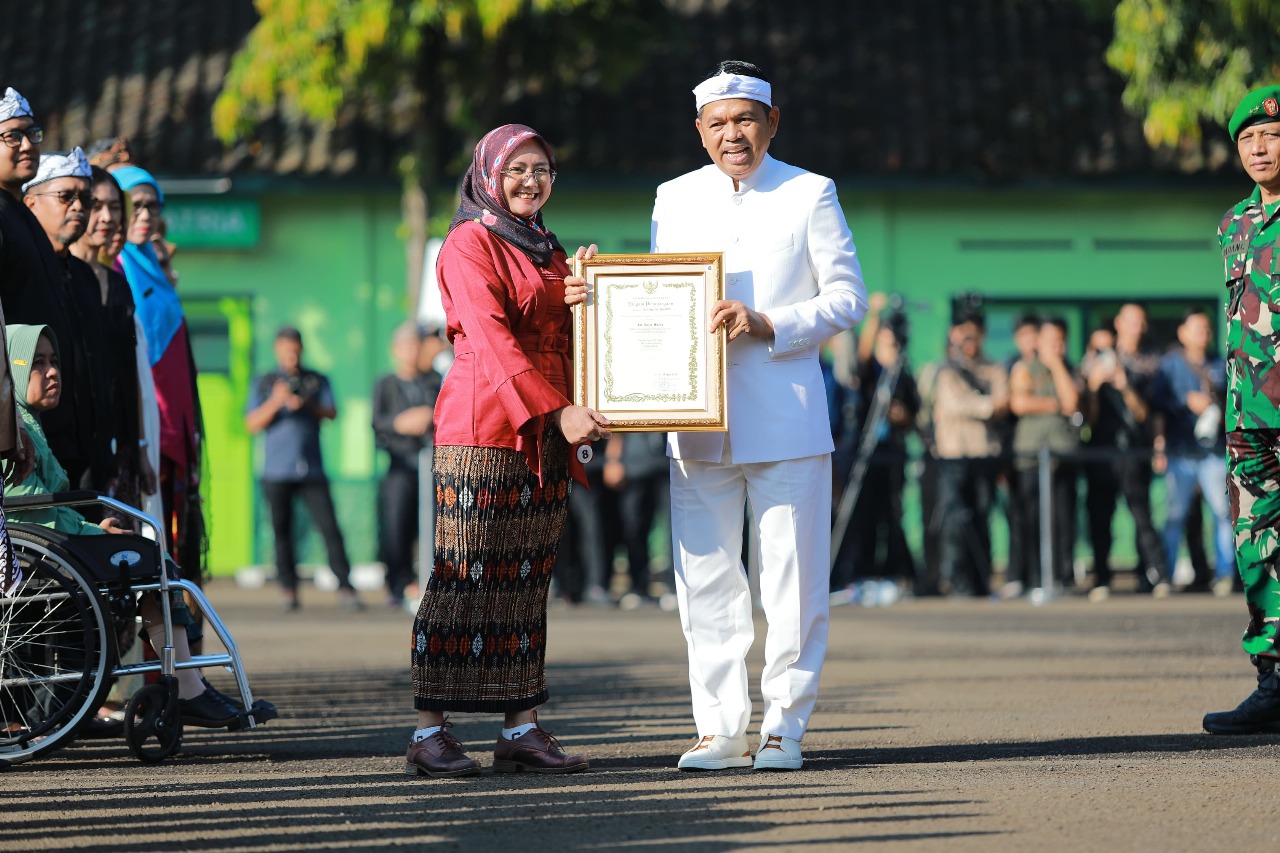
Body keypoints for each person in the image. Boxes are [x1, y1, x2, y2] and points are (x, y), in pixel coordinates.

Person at [641, 61, 867, 771]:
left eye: (745, 119)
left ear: (772, 123)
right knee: (705, 582)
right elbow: (654, 302)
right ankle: (719, 728)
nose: (732, 134)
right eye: (718, 123)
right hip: (696, 420)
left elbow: (848, 299)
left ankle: (784, 728)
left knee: (792, 583)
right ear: (699, 130)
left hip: (786, 418)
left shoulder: (809, 192)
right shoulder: (672, 198)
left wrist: (769, 321)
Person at [405, 123, 607, 778]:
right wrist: (559, 408)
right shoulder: (470, 242)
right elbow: (492, 341)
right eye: (516, 168)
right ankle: (427, 731)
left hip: (542, 431)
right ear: (489, 174)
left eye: (541, 169)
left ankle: (520, 726)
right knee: (463, 577)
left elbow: (561, 333)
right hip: (481, 429)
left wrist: (591, 295)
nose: (530, 180)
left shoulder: (548, 248)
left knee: (525, 579)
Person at [4, 323, 248, 728]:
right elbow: (26, 509)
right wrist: (95, 532)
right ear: (11, 369)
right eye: (37, 363)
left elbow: (45, 505)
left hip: (50, 540)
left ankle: (188, 684)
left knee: (149, 556)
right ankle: (188, 687)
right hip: (30, 550)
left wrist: (92, 526)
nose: (52, 373)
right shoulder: (11, 431)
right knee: (150, 559)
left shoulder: (27, 424)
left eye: (55, 362)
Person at [1203, 86, 1280, 734]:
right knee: (1255, 547)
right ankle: (1272, 682)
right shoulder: (1232, 226)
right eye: (1247, 138)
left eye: (1271, 136)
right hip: (1250, 420)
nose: (1259, 147)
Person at [110, 165, 206, 595]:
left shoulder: (153, 265)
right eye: (134, 205)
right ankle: (154, 656)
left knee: (177, 542)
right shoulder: (117, 267)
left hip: (177, 428)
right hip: (151, 428)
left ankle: (171, 653)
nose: (144, 214)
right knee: (151, 542)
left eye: (152, 205)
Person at [246, 327, 360, 612]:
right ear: (277, 349)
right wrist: (276, 400)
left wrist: (305, 403)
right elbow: (251, 424)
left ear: (302, 349)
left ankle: (345, 586)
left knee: (329, 529)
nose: (291, 355)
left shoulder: (316, 380)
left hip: (312, 469)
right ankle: (288, 589)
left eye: (295, 349)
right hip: (276, 471)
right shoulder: (265, 381)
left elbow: (332, 412)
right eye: (286, 349)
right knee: (281, 532)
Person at [67, 165, 146, 509]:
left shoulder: (117, 283)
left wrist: (140, 446)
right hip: (73, 446)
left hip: (119, 445)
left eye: (115, 207)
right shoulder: (59, 278)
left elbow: (131, 370)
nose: (107, 216)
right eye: (96, 205)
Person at [831, 292, 918, 601]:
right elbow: (861, 360)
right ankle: (859, 572)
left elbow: (915, 414)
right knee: (861, 513)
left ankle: (894, 571)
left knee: (891, 513)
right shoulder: (870, 373)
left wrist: (902, 416)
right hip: (862, 453)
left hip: (890, 452)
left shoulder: (902, 375)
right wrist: (874, 316)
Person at [1078, 303, 1166, 600]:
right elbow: (1085, 416)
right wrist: (1093, 385)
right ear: (1118, 323)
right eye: (1131, 322)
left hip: (1133, 451)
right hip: (1101, 451)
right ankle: (1101, 577)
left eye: (1141, 322)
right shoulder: (1095, 360)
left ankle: (1153, 575)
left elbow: (1146, 414)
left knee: (1142, 515)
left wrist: (1124, 385)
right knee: (1100, 517)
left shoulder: (1150, 362)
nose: (1136, 328)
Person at [1150, 308, 1233, 598]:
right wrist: (1185, 401)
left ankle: (1225, 575)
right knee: (1174, 515)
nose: (1203, 334)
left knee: (1223, 513)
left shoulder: (1220, 363)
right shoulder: (1169, 366)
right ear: (1182, 333)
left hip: (1213, 452)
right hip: (1179, 450)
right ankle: (1166, 574)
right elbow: (1156, 405)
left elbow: (1235, 406)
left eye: (1207, 328)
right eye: (1197, 328)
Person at [930, 310, 1008, 598]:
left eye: (974, 335)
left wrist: (981, 404)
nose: (969, 342)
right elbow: (956, 404)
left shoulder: (994, 368)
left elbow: (1002, 403)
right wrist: (986, 405)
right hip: (953, 454)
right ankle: (956, 581)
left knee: (983, 516)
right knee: (955, 521)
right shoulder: (946, 370)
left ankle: (981, 580)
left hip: (984, 453)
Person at [372, 323, 441, 609]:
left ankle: (437, 583)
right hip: (400, 465)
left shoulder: (434, 381)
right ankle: (398, 584)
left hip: (432, 466)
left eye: (416, 345)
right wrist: (401, 423)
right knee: (396, 524)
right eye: (406, 346)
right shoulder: (385, 384)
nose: (412, 352)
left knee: (439, 526)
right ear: (395, 350)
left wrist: (427, 417)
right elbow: (378, 424)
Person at [1010, 317, 1081, 591]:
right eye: (1052, 341)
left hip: (1063, 455)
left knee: (1064, 520)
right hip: (1031, 457)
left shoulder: (1069, 369)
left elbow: (1072, 401)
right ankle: (1033, 579)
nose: (1057, 346)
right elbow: (1019, 402)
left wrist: (1056, 365)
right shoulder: (1024, 368)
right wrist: (1054, 403)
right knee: (1031, 520)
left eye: (1061, 341)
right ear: (1038, 341)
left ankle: (1063, 577)